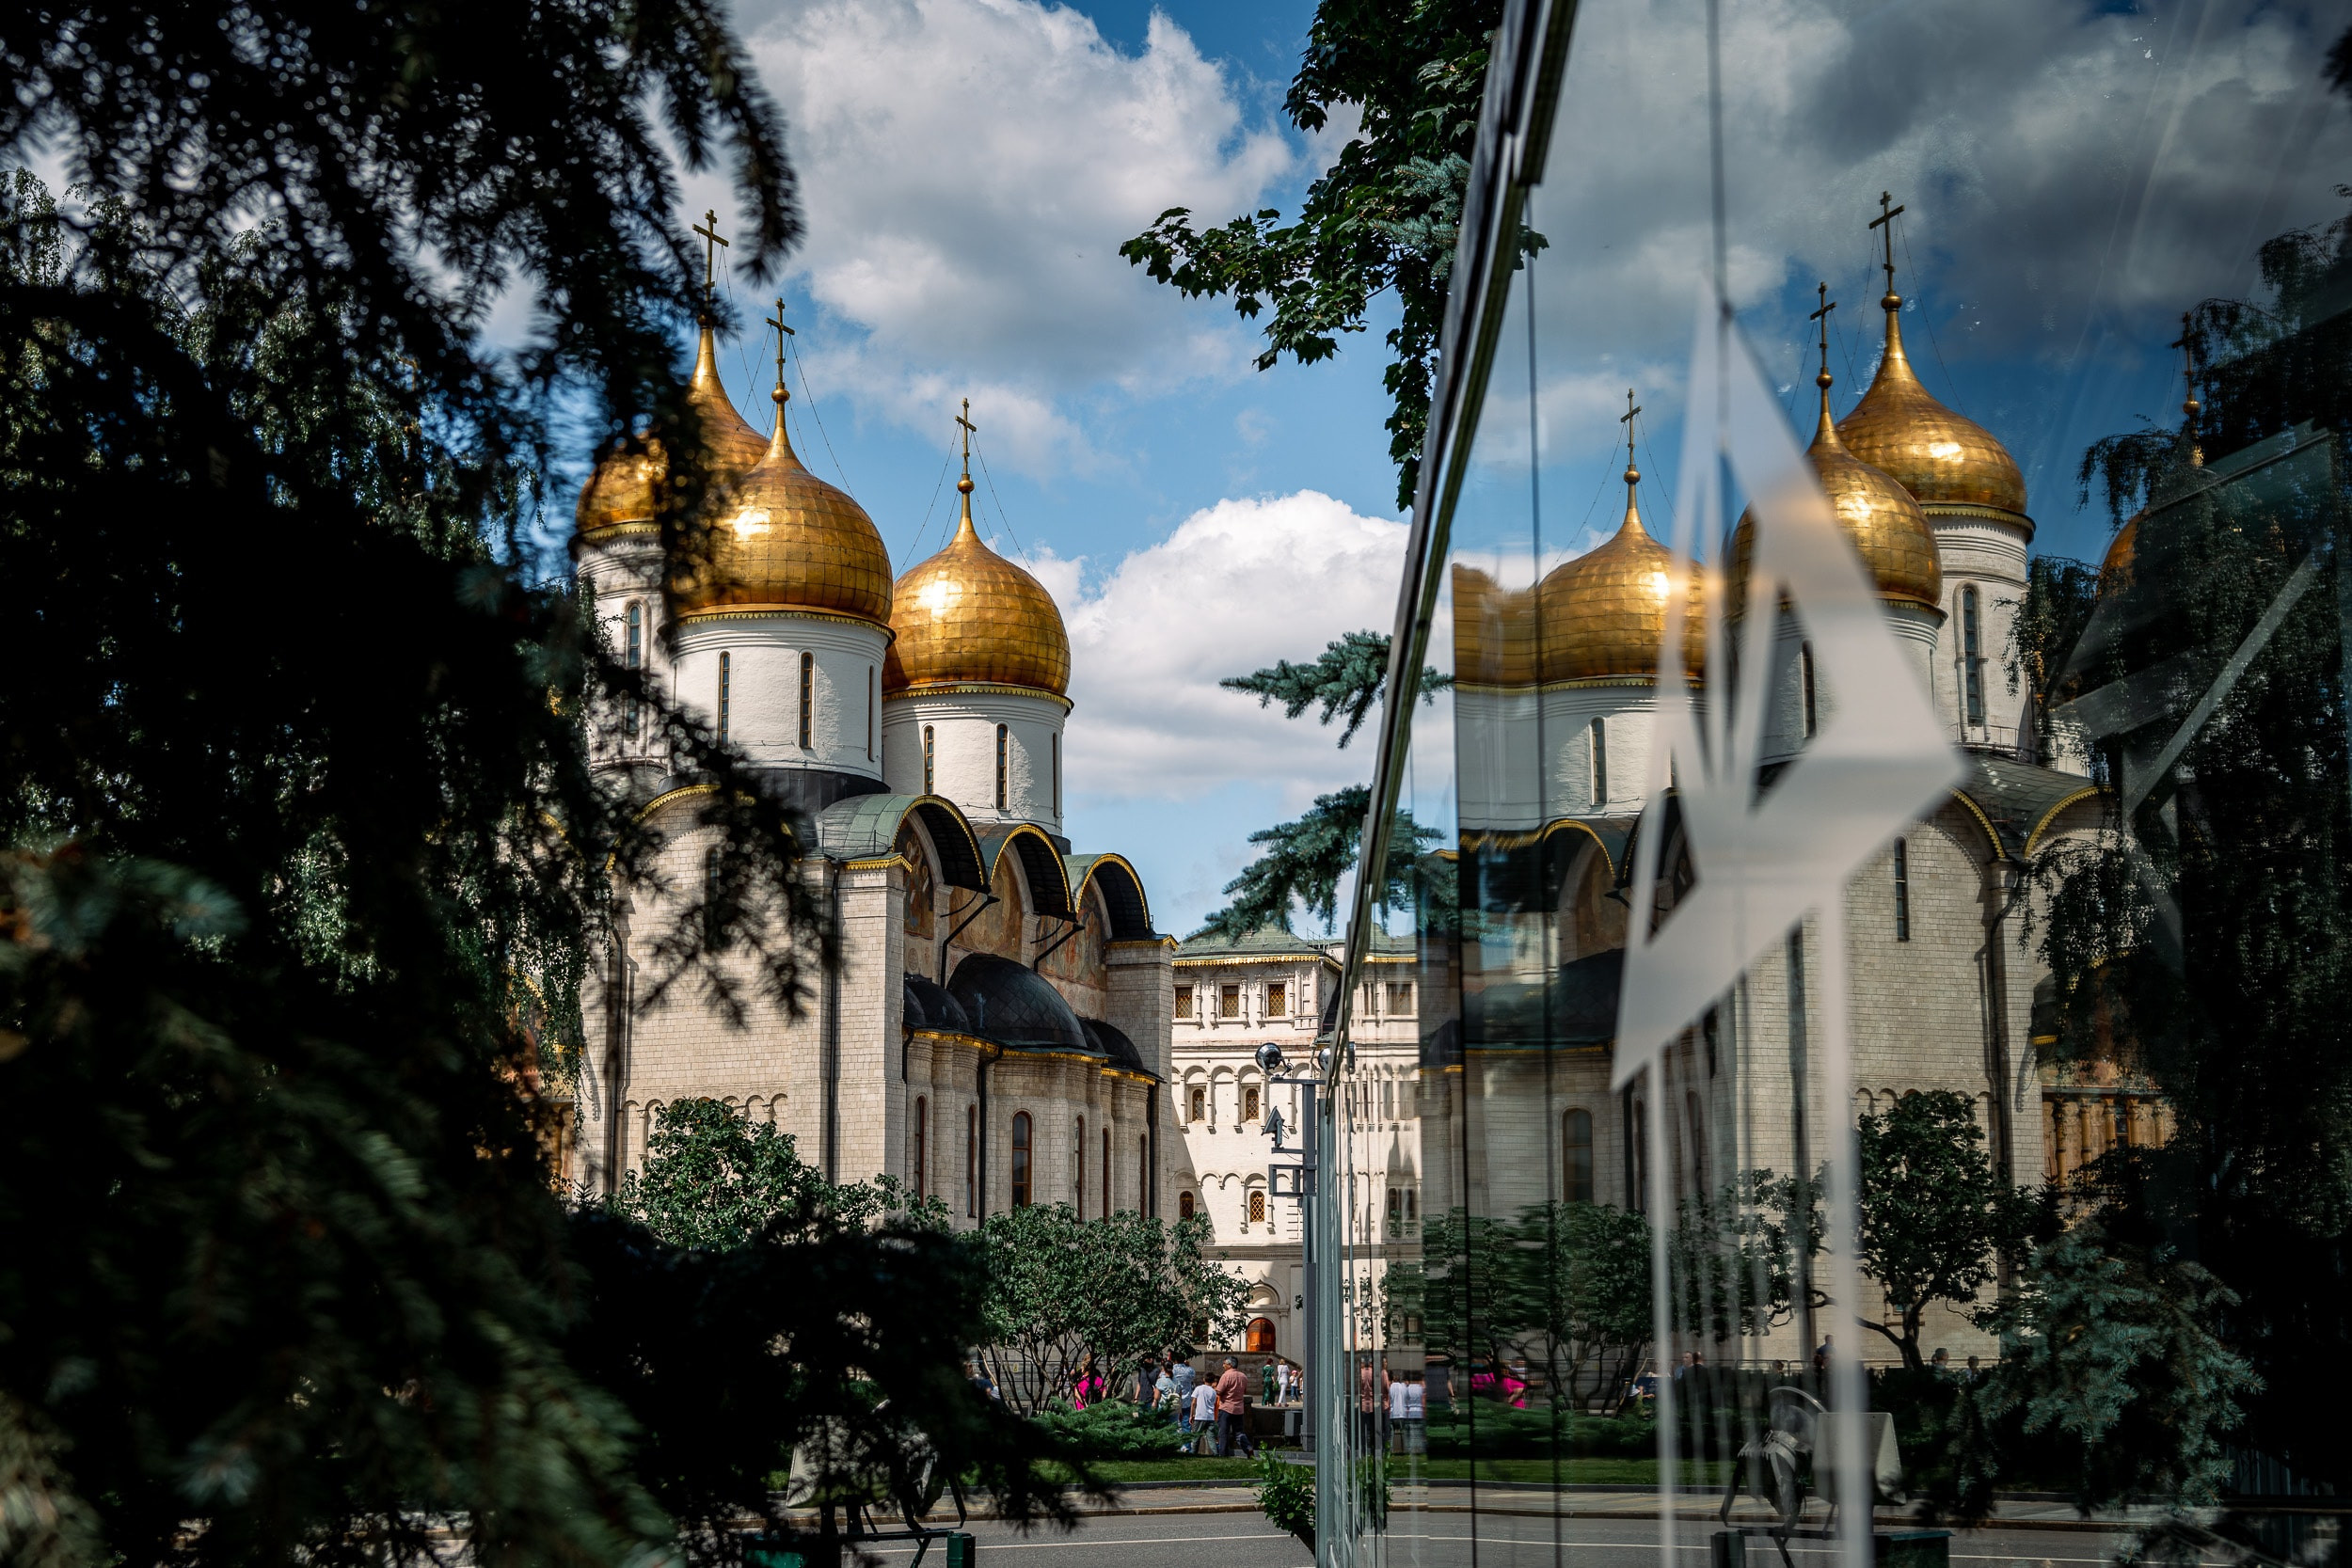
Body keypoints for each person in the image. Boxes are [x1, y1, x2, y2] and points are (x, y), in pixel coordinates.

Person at [1215, 1355, 1255, 1458]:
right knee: (1239, 1433)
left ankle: (1223, 1454)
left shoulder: (1226, 1376)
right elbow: (1244, 1391)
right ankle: (1248, 1448)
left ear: (1230, 1365)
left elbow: (1219, 1391)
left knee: (1223, 1432)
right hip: (1239, 1408)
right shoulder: (1243, 1376)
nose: (1223, 1365)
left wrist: (1215, 1388)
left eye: (1225, 1363)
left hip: (1226, 1407)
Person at [1190, 1371, 1217, 1451]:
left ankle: (1194, 1452)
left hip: (1200, 1416)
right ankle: (1215, 1453)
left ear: (1204, 1379)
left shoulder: (1199, 1388)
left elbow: (1194, 1402)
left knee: (1196, 1437)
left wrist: (1191, 1415)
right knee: (1211, 1437)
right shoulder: (1213, 1392)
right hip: (1210, 1417)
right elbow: (1214, 1404)